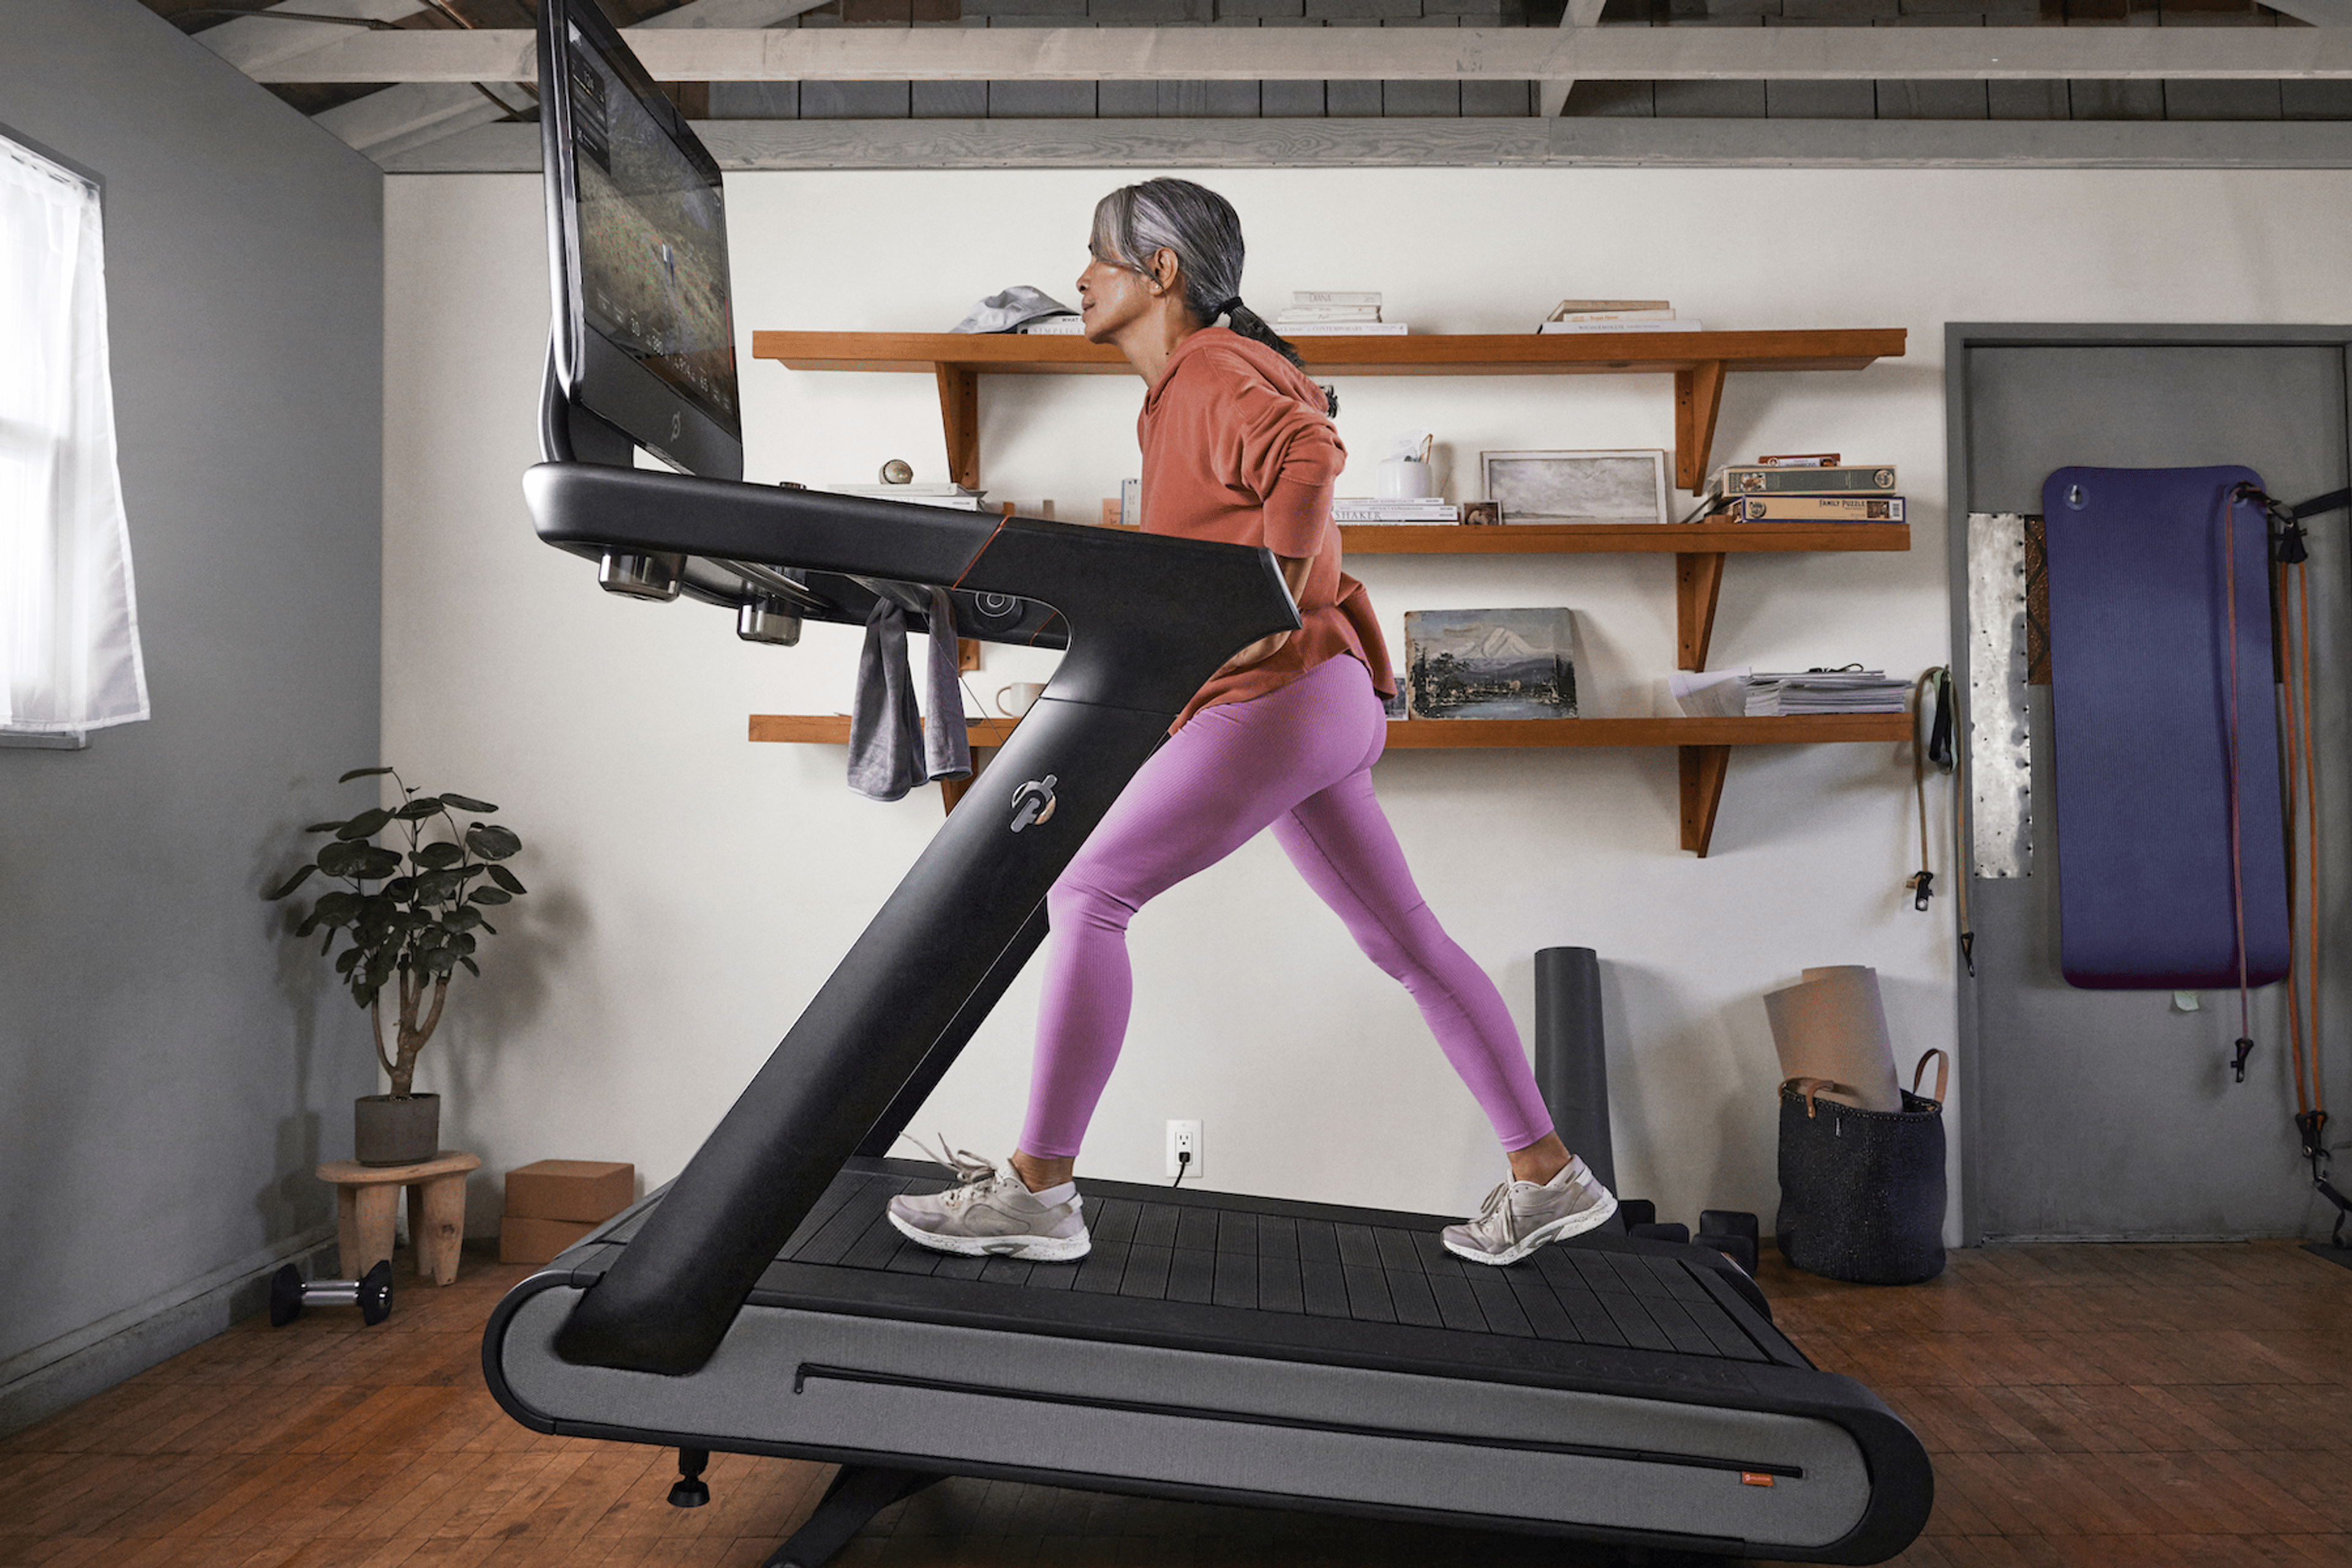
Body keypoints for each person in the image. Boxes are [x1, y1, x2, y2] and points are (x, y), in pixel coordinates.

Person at [889, 179, 1615, 1268]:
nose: (1080, 278)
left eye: (1097, 257)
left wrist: (1267, 602)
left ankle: (1039, 1190)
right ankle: (1549, 1174)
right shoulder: (1188, 383)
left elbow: (1309, 452)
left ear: (1160, 273)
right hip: (1324, 701)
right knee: (1406, 942)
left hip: (1281, 700)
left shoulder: (1209, 370)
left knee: (1087, 891)